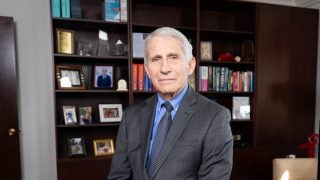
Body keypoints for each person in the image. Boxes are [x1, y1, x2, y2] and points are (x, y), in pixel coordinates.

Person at [108, 27, 233, 180]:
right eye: (156, 59)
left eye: (173, 57)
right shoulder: (131, 116)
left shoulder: (215, 117)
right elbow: (118, 176)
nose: (164, 69)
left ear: (190, 65)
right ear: (147, 69)